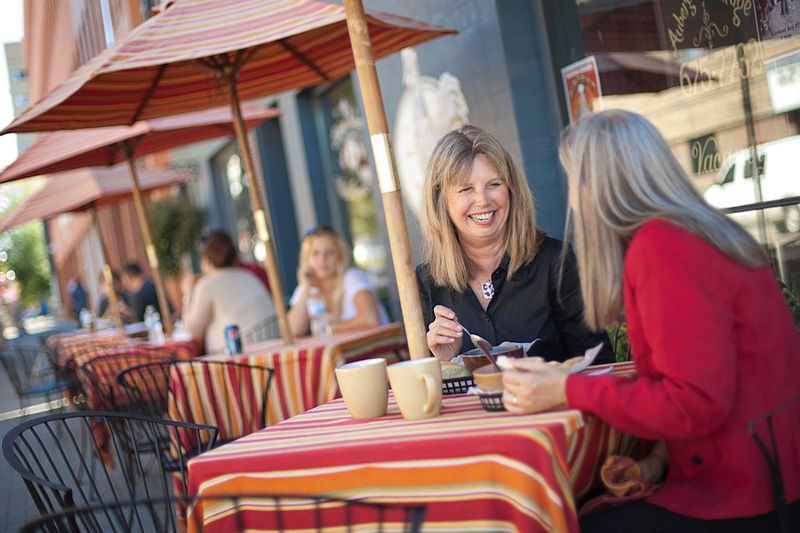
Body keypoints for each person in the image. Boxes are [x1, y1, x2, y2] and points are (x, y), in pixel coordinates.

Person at [502, 110, 800, 531]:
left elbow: (693, 403)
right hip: (772, 475)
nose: (572, 200)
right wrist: (657, 463)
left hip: (746, 495)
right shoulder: (698, 233)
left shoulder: (663, 248)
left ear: (603, 186)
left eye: (576, 182)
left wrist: (566, 388)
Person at [417, 124, 612, 363]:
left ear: (511, 189)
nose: (482, 200)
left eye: (494, 184)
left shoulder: (554, 262)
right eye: (466, 189)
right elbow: (427, 392)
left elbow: (598, 363)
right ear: (441, 202)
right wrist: (445, 362)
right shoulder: (427, 282)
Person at [183, 230, 276, 354]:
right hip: (272, 345)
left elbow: (192, 328)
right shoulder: (248, 276)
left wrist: (187, 294)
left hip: (238, 356)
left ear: (206, 261)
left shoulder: (206, 284)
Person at [287, 226, 389, 336]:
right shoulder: (307, 287)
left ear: (340, 256)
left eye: (329, 252)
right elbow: (292, 331)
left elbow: (371, 318)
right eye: (315, 253)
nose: (322, 259)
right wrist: (306, 288)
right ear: (306, 258)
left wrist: (330, 329)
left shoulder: (352, 277)